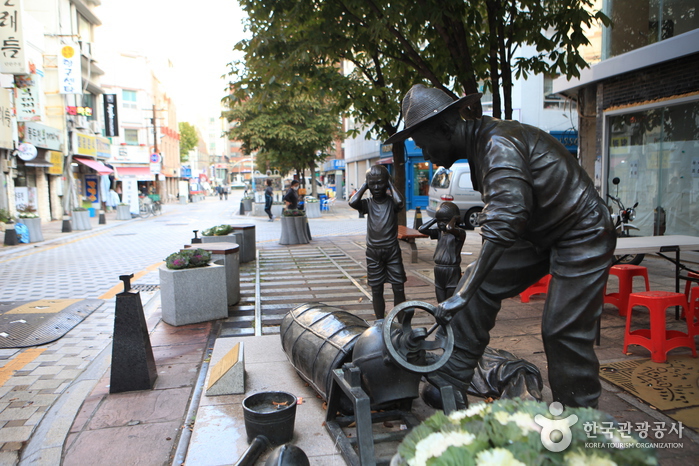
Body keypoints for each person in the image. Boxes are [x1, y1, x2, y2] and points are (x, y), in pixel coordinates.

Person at [384, 84, 616, 408]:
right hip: (538, 231)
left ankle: (580, 421)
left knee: (561, 331)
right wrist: (467, 290)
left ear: (446, 128)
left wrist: (461, 295)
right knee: (475, 286)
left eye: (424, 143)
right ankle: (449, 379)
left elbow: (508, 217)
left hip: (582, 231)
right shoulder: (480, 144)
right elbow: (510, 216)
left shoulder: (497, 143)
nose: (424, 154)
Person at [349, 165, 406, 319]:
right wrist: (364, 186)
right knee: (376, 288)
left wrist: (390, 184)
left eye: (380, 183)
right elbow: (353, 202)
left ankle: (401, 321)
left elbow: (400, 202)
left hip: (391, 250)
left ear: (386, 183)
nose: (376, 187)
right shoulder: (368, 203)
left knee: (398, 287)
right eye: (371, 184)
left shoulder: (391, 203)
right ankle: (380, 322)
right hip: (373, 251)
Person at [418, 202, 466, 303]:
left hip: (452, 270)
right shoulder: (440, 233)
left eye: (444, 221)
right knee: (440, 301)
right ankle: (441, 318)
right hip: (439, 269)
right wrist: (436, 218)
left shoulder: (459, 233)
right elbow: (422, 229)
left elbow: (450, 228)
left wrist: (455, 219)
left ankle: (452, 318)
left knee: (450, 302)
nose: (441, 224)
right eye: (439, 221)